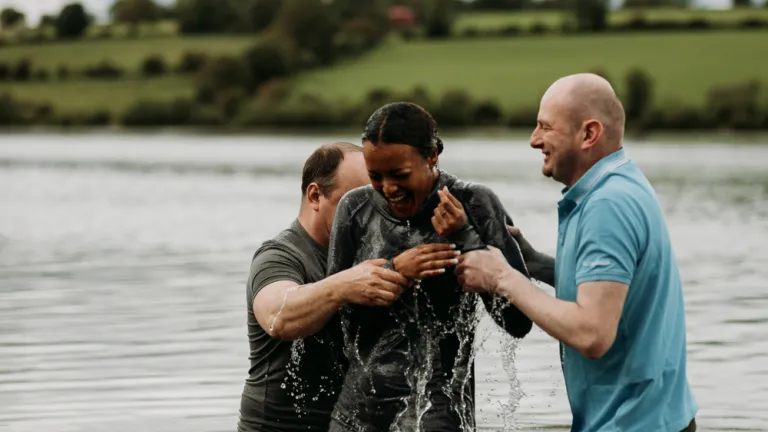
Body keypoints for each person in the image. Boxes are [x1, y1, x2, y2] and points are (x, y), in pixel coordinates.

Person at [455, 73, 698, 432]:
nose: (533, 140)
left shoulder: (607, 205)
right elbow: (612, 288)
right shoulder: (619, 183)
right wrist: (535, 263)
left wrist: (501, 277)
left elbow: (592, 334)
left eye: (544, 127)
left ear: (589, 134)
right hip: (655, 417)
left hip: (632, 423)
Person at [325, 102, 534, 432]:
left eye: (400, 175)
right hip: (358, 415)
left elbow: (519, 322)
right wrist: (395, 271)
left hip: (440, 414)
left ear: (433, 155)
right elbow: (338, 326)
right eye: (375, 176)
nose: (389, 188)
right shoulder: (355, 209)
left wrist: (467, 239)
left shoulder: (476, 204)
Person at [238, 142, 416, 431]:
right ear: (315, 195)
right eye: (355, 202)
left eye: (377, 204)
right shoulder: (280, 255)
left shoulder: (372, 251)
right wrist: (342, 287)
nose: (371, 216)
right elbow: (277, 315)